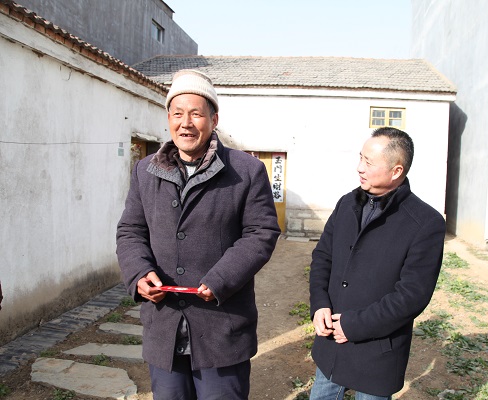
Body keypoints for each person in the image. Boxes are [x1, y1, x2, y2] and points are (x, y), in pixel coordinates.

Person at [116, 69, 280, 400]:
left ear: (214, 119)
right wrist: (138, 273)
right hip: (164, 327)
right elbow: (131, 230)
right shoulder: (146, 171)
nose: (186, 123)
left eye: (196, 114)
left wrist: (221, 279)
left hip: (221, 327)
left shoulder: (245, 171)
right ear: (168, 118)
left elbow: (261, 232)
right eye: (177, 114)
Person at [309, 127, 446, 399]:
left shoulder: (425, 223)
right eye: (360, 158)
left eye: (369, 162)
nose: (359, 168)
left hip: (378, 353)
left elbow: (411, 296)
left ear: (396, 171)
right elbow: (323, 257)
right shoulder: (347, 204)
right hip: (330, 345)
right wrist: (319, 303)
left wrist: (353, 325)